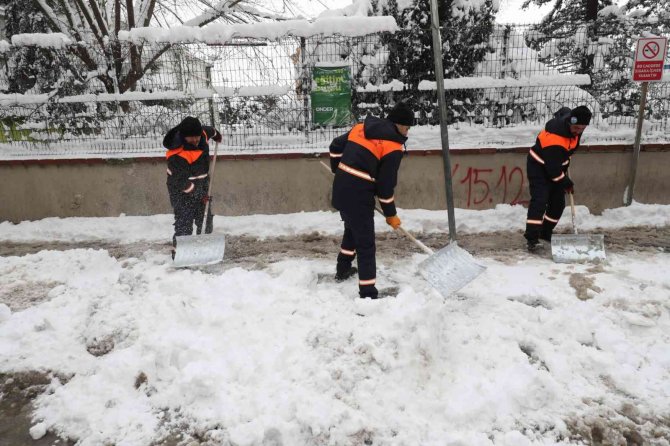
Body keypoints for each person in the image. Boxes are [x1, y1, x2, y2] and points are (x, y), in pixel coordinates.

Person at [329, 102, 414, 299]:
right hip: (359, 195)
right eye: (407, 127)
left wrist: (338, 170)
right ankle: (368, 293)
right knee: (366, 244)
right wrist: (391, 214)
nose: (407, 132)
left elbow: (335, 146)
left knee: (352, 229)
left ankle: (343, 269)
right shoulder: (393, 147)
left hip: (341, 189)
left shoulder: (360, 128)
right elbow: (385, 188)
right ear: (397, 124)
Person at [524, 105, 592, 252]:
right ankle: (532, 239)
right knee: (540, 200)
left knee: (558, 204)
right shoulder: (555, 138)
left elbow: (564, 112)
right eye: (576, 128)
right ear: (570, 122)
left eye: (582, 128)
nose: (578, 132)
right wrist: (565, 181)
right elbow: (552, 170)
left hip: (555, 166)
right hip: (539, 166)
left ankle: (545, 232)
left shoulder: (573, 124)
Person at [164, 116, 223, 254]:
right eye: (191, 138)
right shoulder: (176, 154)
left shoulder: (201, 134)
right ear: (184, 136)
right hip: (180, 189)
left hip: (201, 184)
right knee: (185, 221)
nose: (196, 140)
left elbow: (210, 131)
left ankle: (203, 248)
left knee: (205, 218)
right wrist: (198, 195)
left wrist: (217, 135)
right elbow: (181, 181)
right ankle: (180, 252)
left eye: (197, 136)